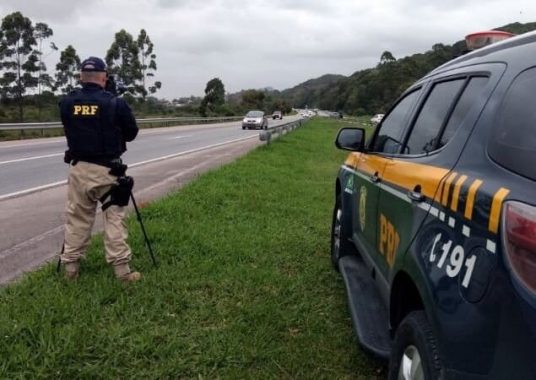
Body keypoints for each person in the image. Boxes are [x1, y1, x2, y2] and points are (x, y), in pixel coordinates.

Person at [59, 56, 140, 282]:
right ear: (104, 77)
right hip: (107, 171)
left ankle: (71, 270)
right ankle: (122, 271)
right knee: (114, 218)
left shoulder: (66, 102)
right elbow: (131, 132)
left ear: (81, 77)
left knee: (77, 218)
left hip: (78, 169)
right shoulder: (114, 102)